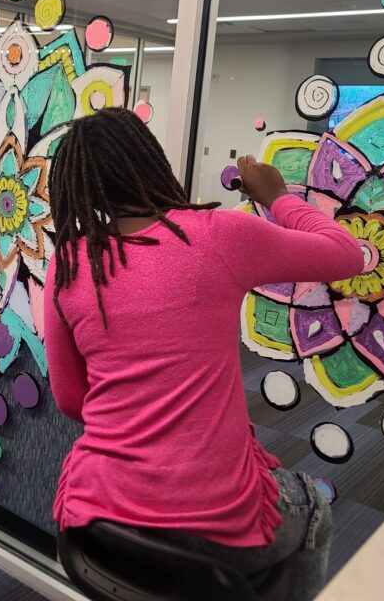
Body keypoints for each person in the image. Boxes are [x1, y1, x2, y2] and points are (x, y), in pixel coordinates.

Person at [43, 108, 364, 601]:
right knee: (313, 512)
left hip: (92, 515)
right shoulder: (217, 234)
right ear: (151, 162)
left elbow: (70, 400)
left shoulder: (69, 261)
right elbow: (346, 254)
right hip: (214, 526)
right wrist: (277, 198)